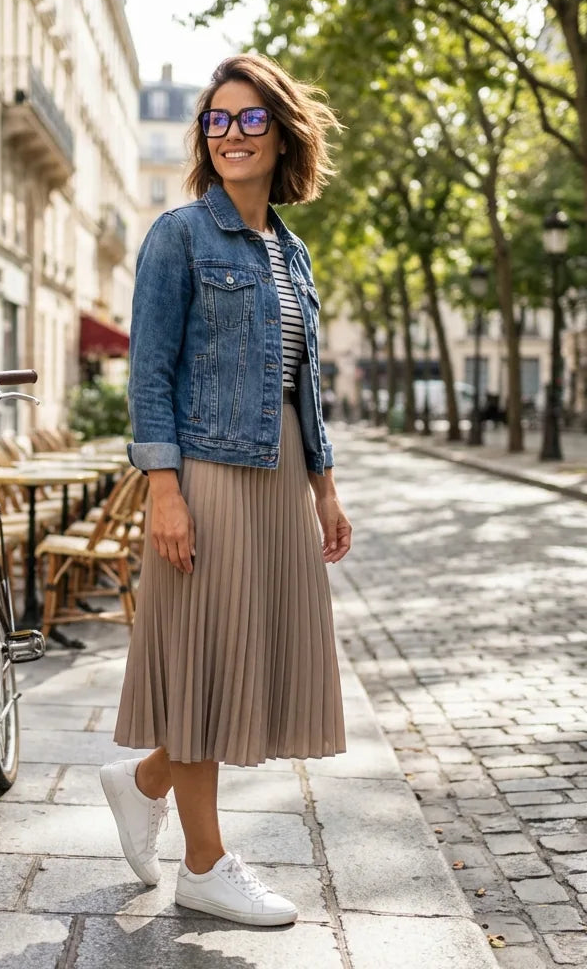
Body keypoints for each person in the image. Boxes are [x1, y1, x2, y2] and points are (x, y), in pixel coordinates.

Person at [101, 54, 351, 928]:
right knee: (206, 666)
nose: (232, 134)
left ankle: (144, 781)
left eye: (250, 119)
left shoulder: (292, 250)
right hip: (207, 469)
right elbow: (149, 373)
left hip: (279, 474)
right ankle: (204, 866)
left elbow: (302, 383)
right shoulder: (178, 235)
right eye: (218, 120)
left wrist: (324, 487)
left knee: (251, 662)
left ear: (282, 135)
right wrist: (164, 490)